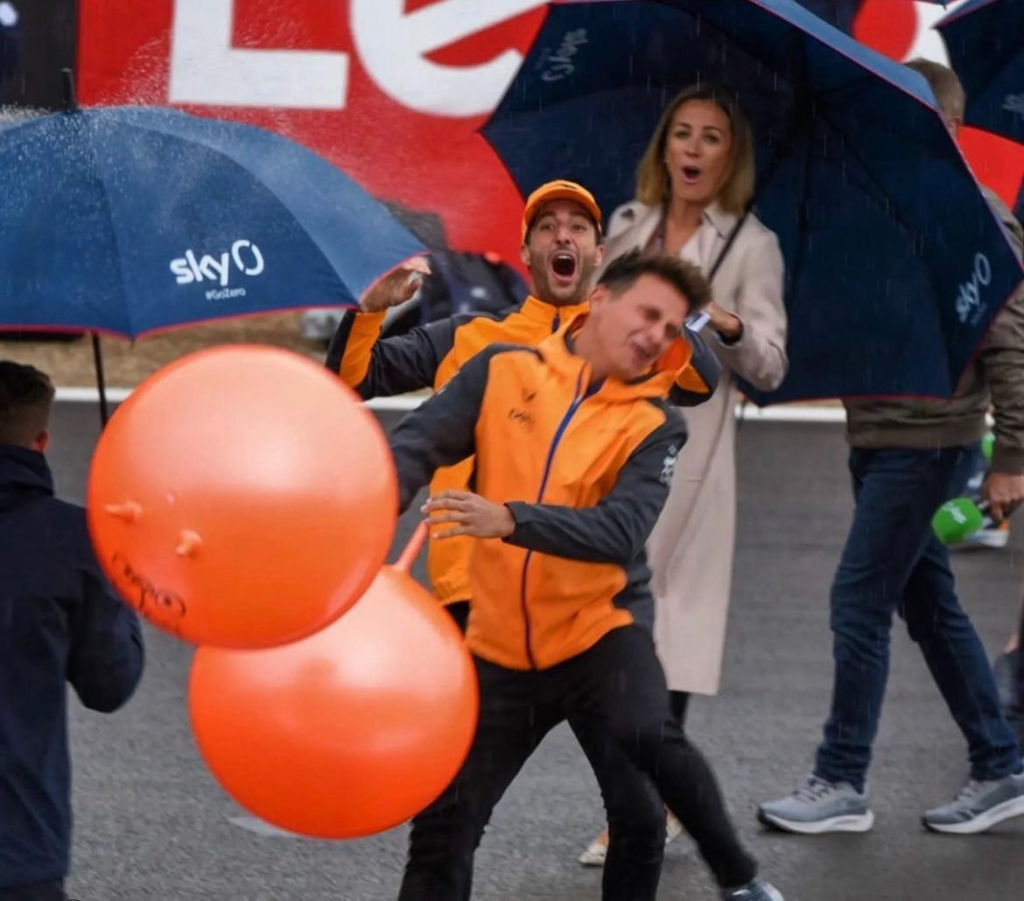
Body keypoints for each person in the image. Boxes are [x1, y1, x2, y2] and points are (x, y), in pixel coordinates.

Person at [388, 249, 783, 901]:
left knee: (638, 810)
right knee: (442, 828)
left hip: (598, 637)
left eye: (672, 327)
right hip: (501, 646)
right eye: (648, 313)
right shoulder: (500, 370)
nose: (657, 334)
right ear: (600, 299)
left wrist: (511, 518)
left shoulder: (656, 424)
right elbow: (418, 443)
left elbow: (618, 531)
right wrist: (369, 506)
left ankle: (741, 879)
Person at [758, 59, 1024, 836]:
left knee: (858, 599)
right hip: (877, 434)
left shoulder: (972, 214)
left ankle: (843, 777)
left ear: (941, 125)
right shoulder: (872, 207)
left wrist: (1011, 455)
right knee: (929, 606)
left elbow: (1010, 341)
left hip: (928, 439)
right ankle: (999, 762)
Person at [326, 178, 721, 634]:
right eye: (547, 227)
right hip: (472, 589)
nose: (563, 236)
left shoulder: (625, 343)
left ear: (598, 254)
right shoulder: (466, 336)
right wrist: (370, 309)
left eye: (578, 227)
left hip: (574, 592)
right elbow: (353, 378)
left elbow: (700, 381)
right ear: (527, 252)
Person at [579, 83, 788, 866]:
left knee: (666, 638)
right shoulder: (625, 227)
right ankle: (639, 801)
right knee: (608, 631)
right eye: (683, 134)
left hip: (690, 462)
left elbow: (768, 363)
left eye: (712, 139)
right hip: (608, 447)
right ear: (663, 146)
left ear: (730, 158)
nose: (694, 150)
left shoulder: (752, 246)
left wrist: (728, 323)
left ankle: (647, 808)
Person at [0, 361, 145, 901]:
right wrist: (118, 575)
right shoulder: (74, 542)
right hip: (18, 841)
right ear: (41, 441)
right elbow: (110, 684)